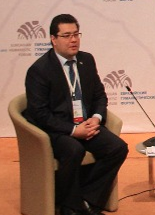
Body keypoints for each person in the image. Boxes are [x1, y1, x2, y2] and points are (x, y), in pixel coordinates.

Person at [24, 14, 128, 215]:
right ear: (53, 39)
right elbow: (40, 114)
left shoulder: (86, 60)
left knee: (118, 148)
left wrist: (96, 118)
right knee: (73, 150)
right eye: (66, 36)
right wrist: (73, 130)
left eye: (76, 34)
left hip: (87, 124)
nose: (73, 40)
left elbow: (99, 96)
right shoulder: (40, 70)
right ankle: (69, 207)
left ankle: (87, 200)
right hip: (57, 129)